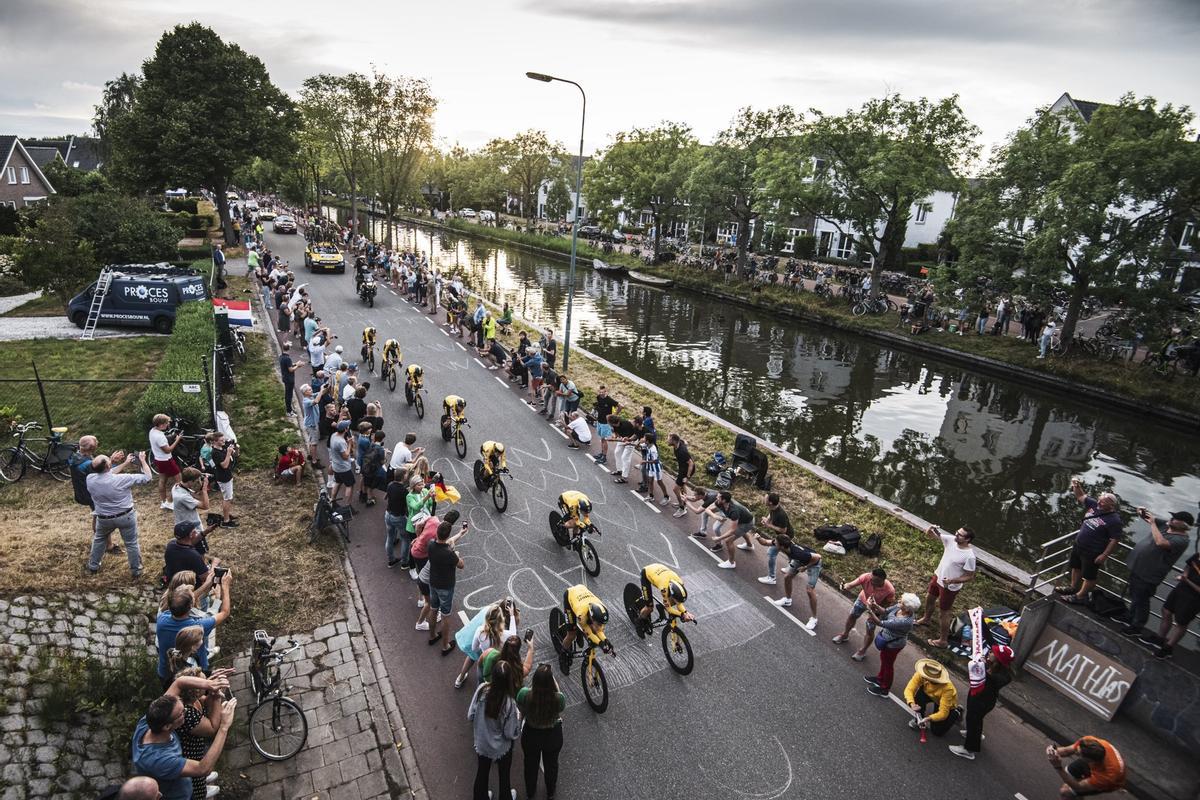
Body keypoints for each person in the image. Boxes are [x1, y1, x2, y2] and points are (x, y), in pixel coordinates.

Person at [131, 675, 236, 800]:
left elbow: (179, 682)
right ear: (167, 726)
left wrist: (209, 684)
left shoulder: (148, 722)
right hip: (180, 796)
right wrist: (224, 727)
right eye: (182, 713)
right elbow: (203, 768)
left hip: (184, 782)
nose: (186, 711)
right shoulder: (159, 759)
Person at [1121, 508, 1192, 636]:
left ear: (1184, 525)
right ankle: (1129, 617)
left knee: (1142, 600)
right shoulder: (1166, 525)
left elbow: (1160, 543)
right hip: (1137, 568)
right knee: (1134, 595)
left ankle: (1137, 627)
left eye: (1175, 519)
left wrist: (1153, 524)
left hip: (1149, 574)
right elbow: (1148, 517)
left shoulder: (1182, 540)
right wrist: (1142, 512)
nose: (1171, 519)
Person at [86, 452, 153, 578]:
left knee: (99, 540)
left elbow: (108, 474)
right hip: (125, 517)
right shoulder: (123, 478)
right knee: (131, 543)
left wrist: (125, 462)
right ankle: (136, 571)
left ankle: (93, 566)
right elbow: (148, 478)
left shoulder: (89, 478)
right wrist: (143, 461)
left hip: (104, 518)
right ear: (108, 466)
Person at [1056, 483, 1123, 606]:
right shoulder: (1094, 505)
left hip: (1093, 551)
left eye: (1102, 502)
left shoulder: (1114, 520)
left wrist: (1104, 555)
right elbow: (1081, 496)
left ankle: (1080, 596)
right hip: (1079, 545)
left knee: (1089, 576)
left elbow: (1114, 539)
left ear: (1111, 505)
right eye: (1099, 500)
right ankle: (1072, 587)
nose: (1099, 503)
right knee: (1076, 567)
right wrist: (1076, 486)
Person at [156, 582, 232, 689]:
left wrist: (207, 584)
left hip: (166, 673)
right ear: (191, 606)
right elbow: (225, 612)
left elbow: (181, 604)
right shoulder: (196, 627)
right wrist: (225, 587)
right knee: (196, 696)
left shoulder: (162, 618)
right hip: (194, 674)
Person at [914, 524, 977, 647]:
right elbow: (931, 535)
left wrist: (953, 581)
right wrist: (930, 528)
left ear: (967, 539)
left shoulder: (969, 556)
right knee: (929, 598)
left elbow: (969, 576)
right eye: (957, 532)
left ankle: (943, 640)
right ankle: (926, 619)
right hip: (938, 577)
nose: (956, 535)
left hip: (950, 587)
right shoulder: (951, 540)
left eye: (960, 535)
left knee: (944, 612)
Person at [467, 660, 522, 800]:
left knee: (482, 773)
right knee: (504, 777)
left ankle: (482, 796)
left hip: (482, 742)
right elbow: (510, 733)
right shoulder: (509, 702)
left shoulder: (482, 690)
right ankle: (506, 796)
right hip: (501, 748)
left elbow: (470, 715)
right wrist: (518, 719)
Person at [951, 644, 1014, 760]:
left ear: (999, 660)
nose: (989, 652)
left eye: (993, 653)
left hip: (981, 701)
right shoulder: (997, 669)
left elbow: (983, 675)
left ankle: (969, 749)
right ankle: (974, 735)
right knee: (975, 721)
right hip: (981, 699)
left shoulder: (998, 677)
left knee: (973, 720)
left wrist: (982, 665)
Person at [1139, 548, 1200, 659]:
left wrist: (1187, 581)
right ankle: (1160, 638)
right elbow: (1188, 566)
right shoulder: (1197, 555)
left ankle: (1168, 648)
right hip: (1181, 588)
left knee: (1181, 622)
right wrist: (1184, 576)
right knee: (1166, 611)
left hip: (1194, 598)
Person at [71, 434, 128, 552]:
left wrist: (108, 460)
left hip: (82, 491)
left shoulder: (75, 456)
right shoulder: (87, 464)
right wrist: (112, 461)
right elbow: (106, 475)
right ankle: (107, 545)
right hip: (91, 494)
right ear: (92, 449)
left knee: (98, 516)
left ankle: (106, 543)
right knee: (99, 518)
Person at [518, 664, 564, 800]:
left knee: (530, 765)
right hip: (552, 736)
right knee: (552, 765)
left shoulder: (525, 694)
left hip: (531, 735)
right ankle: (550, 791)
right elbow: (560, 701)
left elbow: (520, 707)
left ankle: (530, 791)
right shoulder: (558, 699)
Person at [864, 592, 921, 697]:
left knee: (888, 665)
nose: (899, 601)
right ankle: (880, 678)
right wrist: (875, 604)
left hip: (893, 644)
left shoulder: (905, 622)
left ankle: (885, 689)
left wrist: (870, 611)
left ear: (907, 609)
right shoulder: (899, 607)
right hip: (888, 640)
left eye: (902, 602)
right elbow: (885, 611)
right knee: (884, 660)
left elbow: (881, 623)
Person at [426, 517, 467, 656]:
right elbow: (461, 565)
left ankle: (432, 636)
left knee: (433, 609)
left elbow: (446, 543)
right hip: (446, 587)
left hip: (433, 582)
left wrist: (460, 534)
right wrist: (456, 554)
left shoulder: (431, 544)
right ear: (447, 535)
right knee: (445, 615)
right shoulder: (450, 554)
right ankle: (445, 645)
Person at [834, 569, 896, 661]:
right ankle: (845, 635)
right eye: (871, 579)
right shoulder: (866, 577)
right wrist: (844, 586)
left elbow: (887, 606)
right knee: (852, 615)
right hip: (862, 600)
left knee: (870, 629)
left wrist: (875, 608)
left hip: (876, 608)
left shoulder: (890, 590)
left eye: (874, 581)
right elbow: (850, 585)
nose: (871, 582)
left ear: (882, 580)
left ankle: (862, 651)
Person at [765, 534, 821, 630]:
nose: (775, 544)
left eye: (776, 543)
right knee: (787, 577)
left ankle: (814, 618)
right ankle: (787, 600)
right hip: (798, 560)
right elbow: (765, 542)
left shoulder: (798, 552)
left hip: (813, 563)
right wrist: (758, 538)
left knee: (809, 590)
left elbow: (818, 557)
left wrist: (805, 567)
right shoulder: (785, 545)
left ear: (782, 546)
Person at [1045, 737, 1126, 798]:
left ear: (1090, 761)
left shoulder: (1107, 777)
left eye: (1078, 754)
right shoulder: (1088, 741)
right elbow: (1066, 751)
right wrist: (1053, 752)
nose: (1075, 752)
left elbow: (1078, 787)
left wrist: (1058, 767)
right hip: (1098, 765)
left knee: (1065, 791)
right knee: (1067, 772)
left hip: (1109, 781)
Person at [902, 658, 961, 737]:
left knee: (937, 732)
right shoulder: (921, 673)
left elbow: (943, 713)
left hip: (942, 701)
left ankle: (957, 712)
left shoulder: (948, 689)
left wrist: (929, 718)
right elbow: (909, 689)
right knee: (916, 698)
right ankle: (920, 718)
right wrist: (912, 704)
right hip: (927, 693)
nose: (925, 678)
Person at [559, 583, 611, 668]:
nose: (600, 626)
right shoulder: (582, 616)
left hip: (582, 592)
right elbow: (590, 633)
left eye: (601, 624)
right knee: (571, 634)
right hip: (570, 595)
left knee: (594, 630)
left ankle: (580, 631)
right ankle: (562, 654)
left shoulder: (602, 610)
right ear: (592, 619)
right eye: (598, 623)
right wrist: (600, 643)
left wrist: (606, 641)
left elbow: (599, 631)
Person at [636, 563, 694, 635]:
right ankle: (638, 622)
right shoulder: (664, 589)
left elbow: (679, 603)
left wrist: (686, 612)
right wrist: (681, 615)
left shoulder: (680, 583)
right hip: (647, 573)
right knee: (649, 608)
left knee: (672, 602)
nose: (677, 602)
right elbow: (669, 609)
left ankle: (661, 607)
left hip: (659, 571)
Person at [708, 490, 755, 570]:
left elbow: (732, 530)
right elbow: (708, 509)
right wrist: (715, 516)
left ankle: (731, 562)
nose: (716, 497)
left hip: (747, 523)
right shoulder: (720, 503)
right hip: (742, 520)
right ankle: (749, 545)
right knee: (741, 531)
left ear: (724, 500)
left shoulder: (734, 511)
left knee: (728, 540)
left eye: (718, 497)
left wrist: (719, 538)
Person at [755, 493, 794, 583]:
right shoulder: (773, 507)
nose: (764, 499)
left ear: (771, 502)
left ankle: (772, 577)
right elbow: (770, 512)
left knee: (771, 553)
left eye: (766, 499)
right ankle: (794, 565)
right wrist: (767, 520)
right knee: (788, 551)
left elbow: (783, 530)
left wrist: (769, 525)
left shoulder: (781, 515)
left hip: (786, 536)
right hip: (781, 536)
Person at [149, 414, 183, 510]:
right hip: (166, 460)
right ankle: (169, 502)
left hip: (158, 459)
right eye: (166, 422)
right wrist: (177, 440)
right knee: (179, 480)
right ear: (161, 424)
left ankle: (163, 501)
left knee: (162, 480)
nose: (168, 424)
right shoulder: (159, 436)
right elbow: (168, 450)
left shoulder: (152, 431)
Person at [208, 434, 238, 528]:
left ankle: (227, 515)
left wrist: (233, 450)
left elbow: (232, 458)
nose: (223, 442)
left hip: (227, 476)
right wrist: (228, 453)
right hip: (223, 478)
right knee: (227, 498)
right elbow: (224, 465)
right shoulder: (215, 453)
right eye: (221, 440)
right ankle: (226, 521)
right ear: (215, 442)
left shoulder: (222, 448)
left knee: (229, 497)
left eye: (223, 439)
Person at [667, 433, 695, 517]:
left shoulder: (682, 451)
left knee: (675, 489)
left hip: (686, 471)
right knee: (682, 486)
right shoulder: (680, 442)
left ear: (674, 441)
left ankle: (682, 508)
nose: (667, 440)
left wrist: (687, 477)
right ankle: (684, 503)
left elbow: (691, 464)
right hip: (682, 468)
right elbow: (685, 442)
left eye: (669, 439)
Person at [590, 387, 620, 465]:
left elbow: (621, 406)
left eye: (603, 392)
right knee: (602, 439)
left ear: (606, 392)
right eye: (600, 392)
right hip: (599, 421)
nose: (601, 394)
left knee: (604, 440)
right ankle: (602, 453)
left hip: (605, 423)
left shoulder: (609, 400)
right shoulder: (598, 397)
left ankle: (604, 458)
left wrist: (614, 415)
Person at [328, 421, 356, 506]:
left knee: (338, 482)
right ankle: (348, 506)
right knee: (350, 485)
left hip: (335, 466)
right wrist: (350, 444)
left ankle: (332, 500)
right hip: (343, 468)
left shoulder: (333, 436)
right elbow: (346, 456)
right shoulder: (340, 442)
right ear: (345, 429)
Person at [278, 341, 302, 417]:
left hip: (285, 378)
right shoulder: (288, 359)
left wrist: (295, 364)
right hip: (289, 379)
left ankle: (290, 409)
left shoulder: (281, 357)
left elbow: (288, 366)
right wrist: (298, 366)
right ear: (289, 349)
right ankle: (289, 411)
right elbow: (291, 369)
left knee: (288, 395)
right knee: (289, 395)